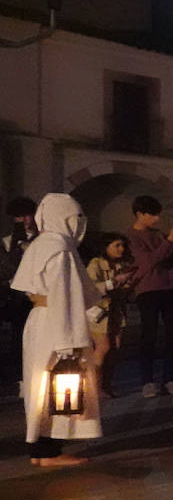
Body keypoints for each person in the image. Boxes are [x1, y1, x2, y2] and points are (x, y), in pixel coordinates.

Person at [11, 194, 102, 466]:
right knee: (58, 386)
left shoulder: (43, 244)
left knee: (39, 386)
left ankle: (41, 450)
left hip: (41, 322)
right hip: (57, 325)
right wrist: (68, 344)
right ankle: (48, 451)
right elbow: (65, 296)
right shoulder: (60, 248)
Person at [127, 195, 173, 397]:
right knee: (149, 335)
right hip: (148, 289)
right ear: (140, 214)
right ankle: (147, 381)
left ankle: (169, 379)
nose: (156, 218)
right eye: (152, 214)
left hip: (170, 286)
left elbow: (169, 256)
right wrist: (169, 240)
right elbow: (148, 262)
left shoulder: (158, 235)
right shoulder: (131, 237)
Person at [85, 233, 134, 397]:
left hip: (116, 310)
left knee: (115, 348)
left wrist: (127, 286)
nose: (122, 249)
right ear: (106, 247)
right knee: (103, 346)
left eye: (122, 245)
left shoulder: (122, 264)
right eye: (117, 245)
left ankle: (106, 385)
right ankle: (94, 387)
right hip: (99, 311)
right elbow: (90, 287)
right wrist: (114, 282)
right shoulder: (95, 264)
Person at [1, 196, 40, 387]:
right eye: (18, 217)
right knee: (19, 337)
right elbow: (7, 269)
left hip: (40, 294)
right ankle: (20, 378)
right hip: (18, 297)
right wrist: (18, 248)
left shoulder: (43, 238)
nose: (23, 220)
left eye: (26, 215)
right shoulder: (8, 242)